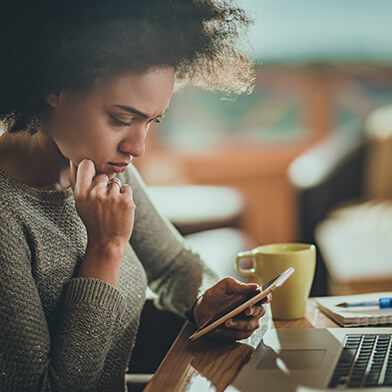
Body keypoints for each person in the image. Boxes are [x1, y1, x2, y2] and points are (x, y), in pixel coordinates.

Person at [0, 1, 270, 391]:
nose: (137, 147)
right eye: (122, 119)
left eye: (151, 121)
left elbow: (173, 265)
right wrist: (105, 250)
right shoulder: (8, 218)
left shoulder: (100, 166)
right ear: (52, 86)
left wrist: (203, 302)